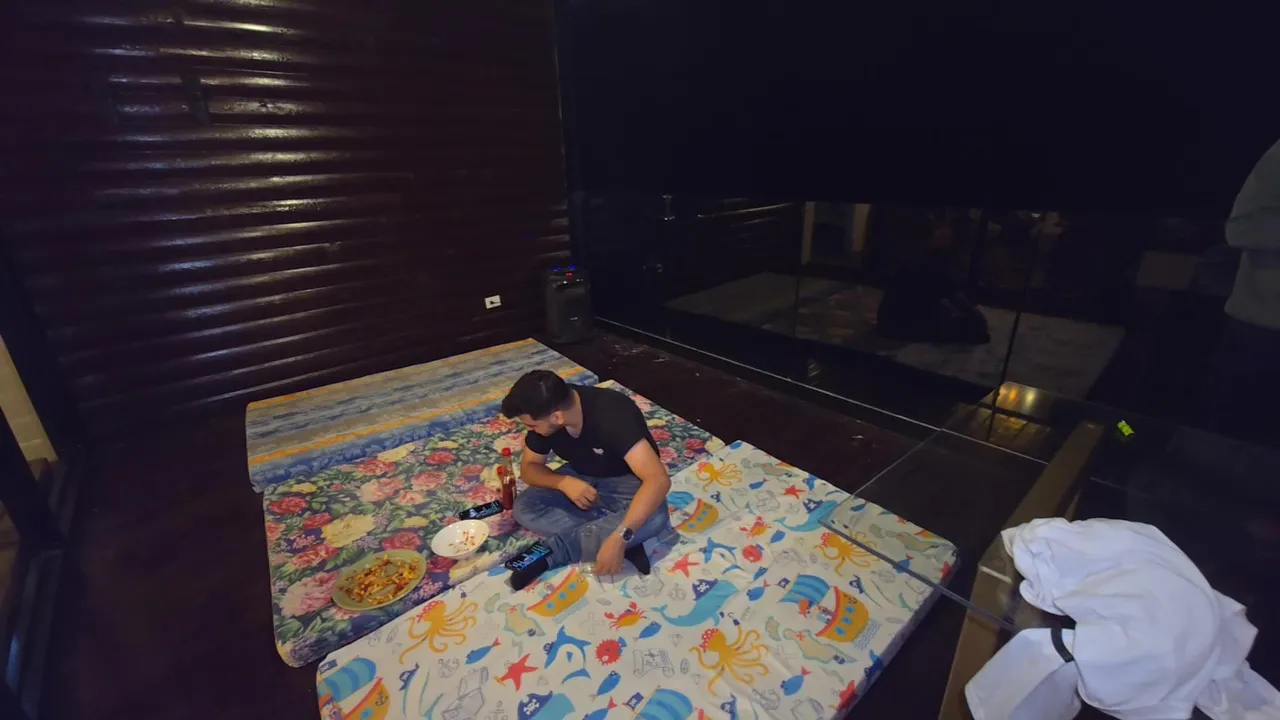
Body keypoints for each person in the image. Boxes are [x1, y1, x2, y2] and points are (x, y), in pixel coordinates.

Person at [500, 370, 672, 588]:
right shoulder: (546, 409)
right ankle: (613, 535)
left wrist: (621, 536)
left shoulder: (613, 413)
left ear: (557, 417)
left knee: (656, 517)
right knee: (524, 507)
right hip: (579, 474)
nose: (531, 431)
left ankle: (557, 552)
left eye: (532, 426)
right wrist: (563, 483)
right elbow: (529, 468)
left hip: (626, 480)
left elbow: (658, 480)